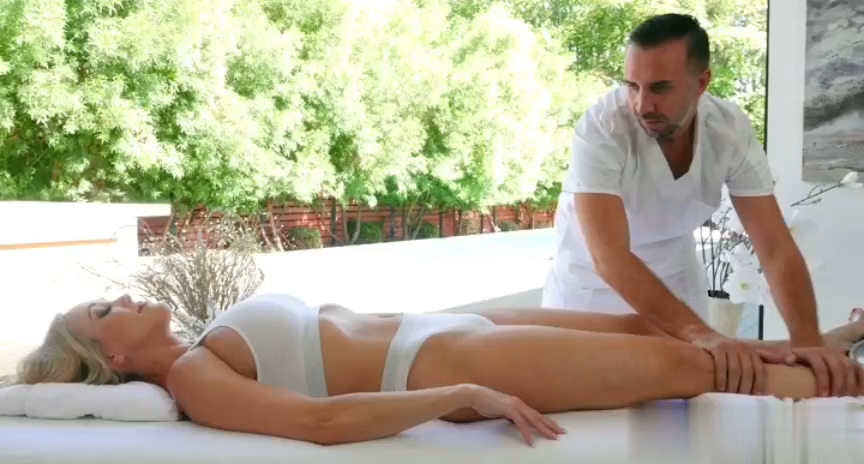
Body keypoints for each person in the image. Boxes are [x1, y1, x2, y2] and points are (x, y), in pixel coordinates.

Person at [13, 292, 864, 446]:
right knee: (682, 367)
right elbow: (319, 423)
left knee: (645, 325)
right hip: (441, 358)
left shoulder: (204, 342)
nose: (121, 298)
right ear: (112, 356)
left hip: (449, 325)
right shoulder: (194, 380)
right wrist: (458, 393)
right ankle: (842, 375)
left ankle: (824, 343)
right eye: (104, 312)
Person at [541, 13, 855, 398]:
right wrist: (702, 334)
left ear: (702, 82)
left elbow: (775, 246)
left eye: (660, 88)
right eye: (632, 86)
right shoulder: (602, 128)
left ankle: (838, 338)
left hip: (674, 280)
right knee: (589, 404)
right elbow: (610, 258)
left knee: (691, 401)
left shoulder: (729, 130)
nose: (642, 104)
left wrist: (806, 342)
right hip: (589, 286)